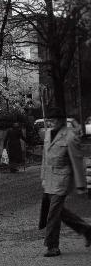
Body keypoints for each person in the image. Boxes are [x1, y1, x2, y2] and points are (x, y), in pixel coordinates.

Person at [39, 108, 91, 257]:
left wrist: (81, 185)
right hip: (49, 179)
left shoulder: (70, 136)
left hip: (62, 179)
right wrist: (43, 177)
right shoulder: (48, 134)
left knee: (53, 213)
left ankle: (52, 246)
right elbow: (45, 157)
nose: (51, 122)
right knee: (59, 211)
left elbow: (77, 160)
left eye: (54, 119)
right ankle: (86, 230)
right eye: (50, 119)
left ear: (62, 120)